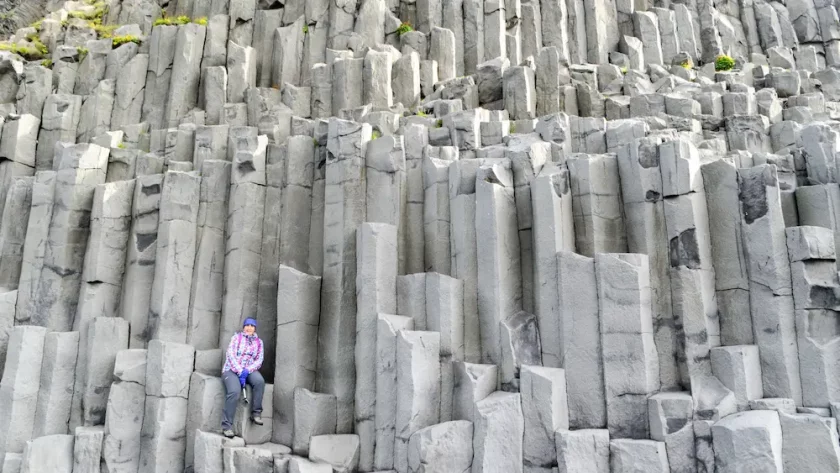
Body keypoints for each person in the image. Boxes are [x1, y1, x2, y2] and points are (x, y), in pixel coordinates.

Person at [221, 318, 265, 438]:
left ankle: (256, 413)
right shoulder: (236, 338)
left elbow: (259, 360)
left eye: (252, 325)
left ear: (255, 328)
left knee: (259, 381)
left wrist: (247, 371)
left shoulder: (259, 342)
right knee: (234, 391)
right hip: (231, 370)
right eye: (247, 325)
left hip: (248, 369)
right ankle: (227, 426)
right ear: (243, 327)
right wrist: (240, 371)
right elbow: (230, 355)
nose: (249, 328)